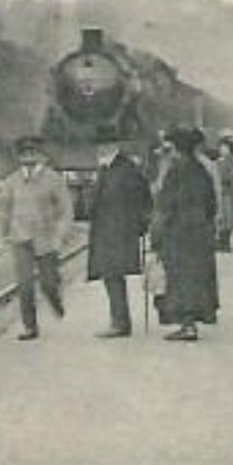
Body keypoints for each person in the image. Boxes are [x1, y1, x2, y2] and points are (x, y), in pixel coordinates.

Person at [0, 135, 75, 341]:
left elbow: (66, 209)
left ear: (41, 156)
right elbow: (5, 209)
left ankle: (55, 299)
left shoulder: (53, 179)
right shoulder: (11, 181)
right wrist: (4, 234)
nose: (29, 160)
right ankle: (30, 327)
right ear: (19, 157)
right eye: (25, 155)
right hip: (20, 238)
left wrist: (61, 234)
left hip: (46, 238)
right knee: (25, 284)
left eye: (33, 154)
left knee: (48, 283)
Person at [151, 126, 220, 341]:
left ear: (178, 149)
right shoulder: (201, 171)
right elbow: (212, 204)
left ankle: (187, 325)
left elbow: (165, 205)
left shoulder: (175, 171)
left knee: (181, 278)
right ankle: (192, 321)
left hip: (179, 232)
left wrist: (156, 234)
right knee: (197, 277)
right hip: (200, 231)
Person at [86, 138, 152, 338]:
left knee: (113, 275)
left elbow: (144, 199)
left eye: (101, 146)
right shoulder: (109, 168)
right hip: (108, 232)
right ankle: (119, 320)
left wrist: (140, 225)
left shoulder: (126, 169)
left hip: (118, 232)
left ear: (109, 147)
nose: (98, 151)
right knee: (111, 276)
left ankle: (120, 323)